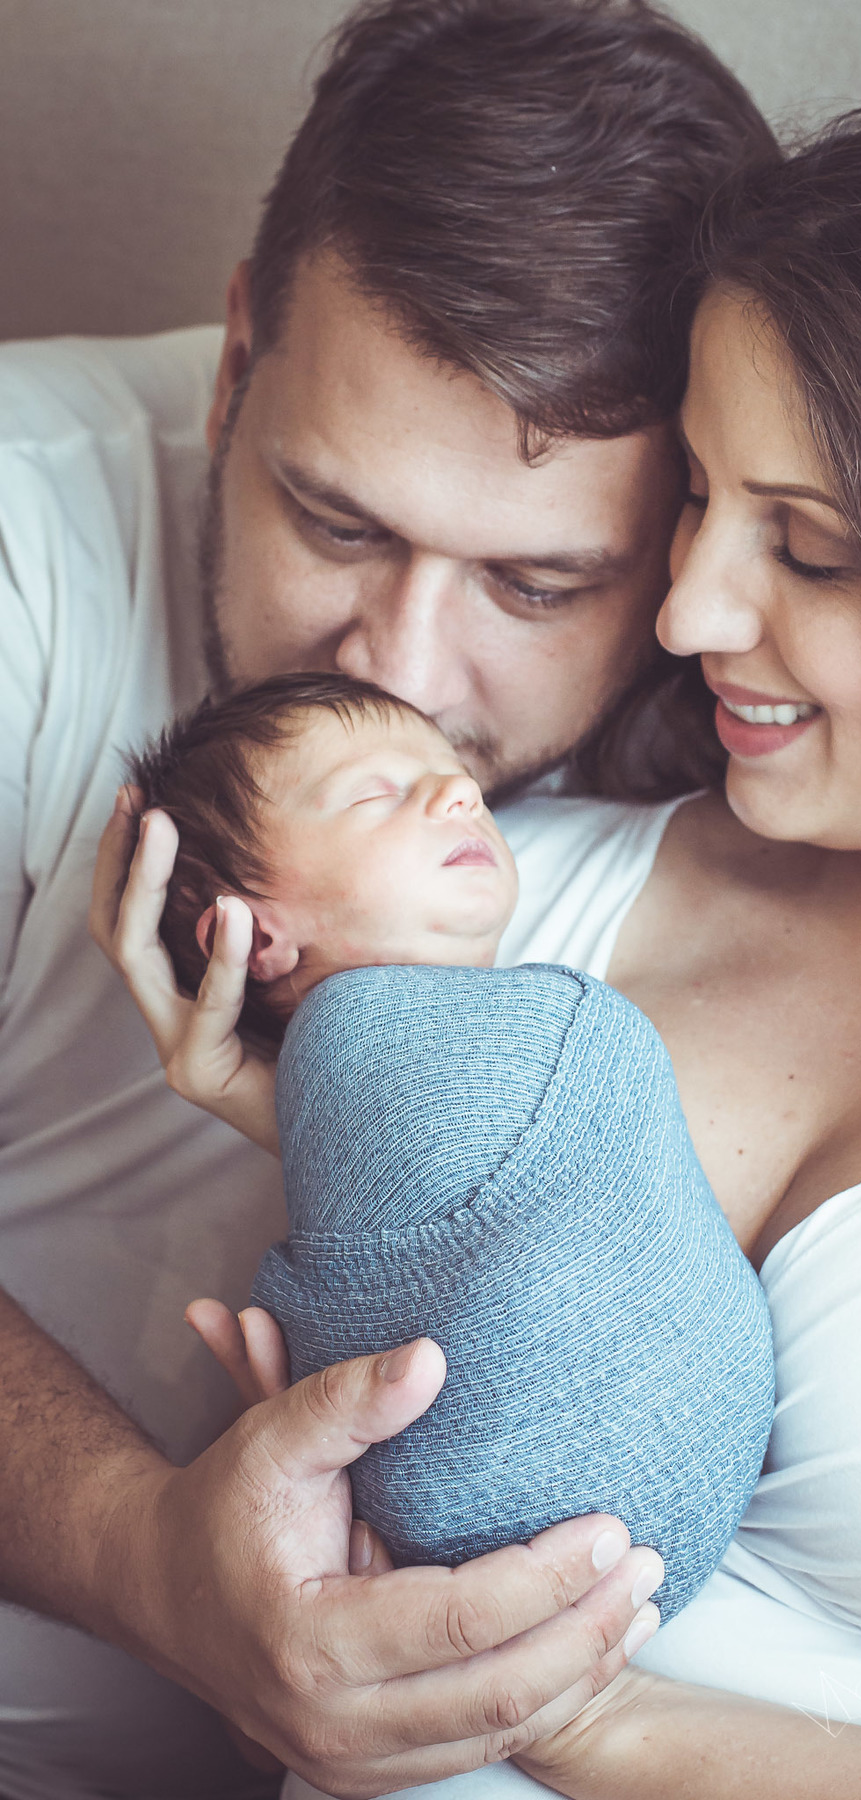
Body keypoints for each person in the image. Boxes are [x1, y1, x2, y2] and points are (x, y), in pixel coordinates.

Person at [155, 84, 861, 1798]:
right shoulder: (494, 892)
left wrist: (586, 1723)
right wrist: (308, 1101)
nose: (692, 609)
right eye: (700, 498)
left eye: (811, 548)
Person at [0, 0, 774, 1793]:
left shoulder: (763, 715)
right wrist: (148, 1557)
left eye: (535, 583)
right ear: (235, 361)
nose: (406, 671)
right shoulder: (29, 556)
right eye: (338, 525)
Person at [124, 669, 772, 1621]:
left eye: (453, 770)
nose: (458, 792)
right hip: (547, 1511)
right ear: (251, 938)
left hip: (562, 1539)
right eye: (376, 792)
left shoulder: (382, 1071)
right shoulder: (352, 1031)